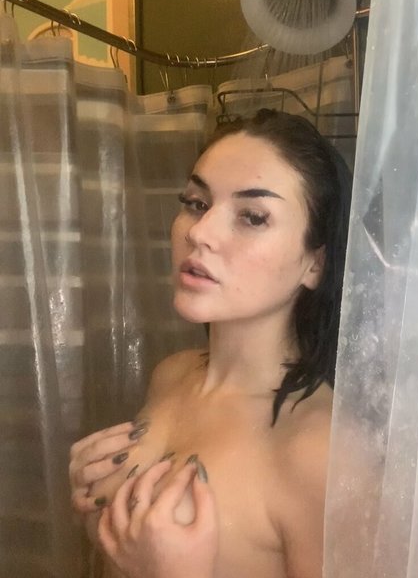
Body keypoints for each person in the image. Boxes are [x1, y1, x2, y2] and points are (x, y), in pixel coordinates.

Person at [69, 108, 352, 578]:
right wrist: (99, 514)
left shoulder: (320, 451)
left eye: (252, 217)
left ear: (315, 263)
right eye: (197, 203)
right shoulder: (172, 375)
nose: (198, 233)